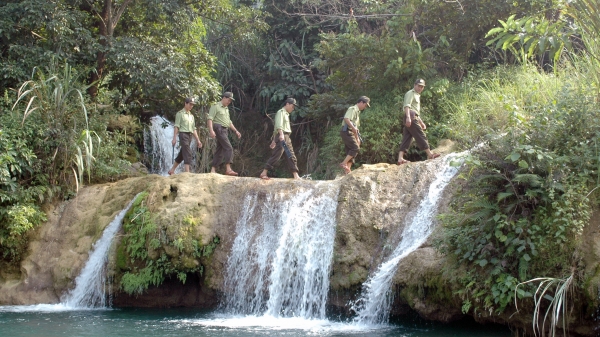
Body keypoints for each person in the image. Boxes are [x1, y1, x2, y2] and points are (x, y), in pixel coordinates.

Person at [397, 79, 440, 165]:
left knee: (407, 138)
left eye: (422, 87)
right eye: (419, 86)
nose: (420, 88)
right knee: (420, 135)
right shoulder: (411, 93)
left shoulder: (417, 95)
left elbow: (415, 111)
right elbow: (407, 106)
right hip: (410, 116)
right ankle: (430, 154)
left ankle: (400, 159)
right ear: (414, 85)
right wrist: (408, 118)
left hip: (413, 116)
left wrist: (421, 122)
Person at [260, 98, 301, 180]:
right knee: (277, 154)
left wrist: (274, 140)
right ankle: (264, 172)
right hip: (282, 136)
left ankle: (295, 175)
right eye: (292, 106)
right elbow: (278, 125)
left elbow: (277, 128)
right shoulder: (281, 112)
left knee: (290, 155)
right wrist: (280, 135)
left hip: (286, 137)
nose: (293, 108)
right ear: (287, 104)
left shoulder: (286, 114)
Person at [207, 92, 242, 176]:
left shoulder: (226, 109)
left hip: (224, 130)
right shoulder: (216, 106)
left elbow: (229, 122)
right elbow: (210, 119)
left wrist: (236, 131)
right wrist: (211, 130)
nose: (229, 102)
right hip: (218, 128)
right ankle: (228, 169)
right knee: (228, 147)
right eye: (228, 100)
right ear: (224, 98)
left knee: (220, 150)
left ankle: (213, 170)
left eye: (230, 101)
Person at [168, 97, 203, 175]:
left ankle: (172, 170)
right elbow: (176, 126)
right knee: (188, 152)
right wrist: (174, 138)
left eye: (192, 105)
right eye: (190, 104)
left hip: (189, 135)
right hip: (183, 134)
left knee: (182, 153)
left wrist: (198, 140)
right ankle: (187, 172)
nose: (191, 106)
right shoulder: (180, 114)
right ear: (185, 103)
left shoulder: (191, 116)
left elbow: (194, 129)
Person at [339, 96, 370, 174]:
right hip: (346, 131)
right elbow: (346, 119)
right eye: (365, 105)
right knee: (355, 148)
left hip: (351, 132)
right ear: (361, 102)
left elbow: (355, 128)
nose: (365, 107)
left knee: (351, 151)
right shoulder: (352, 109)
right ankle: (343, 163)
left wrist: (357, 138)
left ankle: (347, 169)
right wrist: (353, 128)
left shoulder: (358, 112)